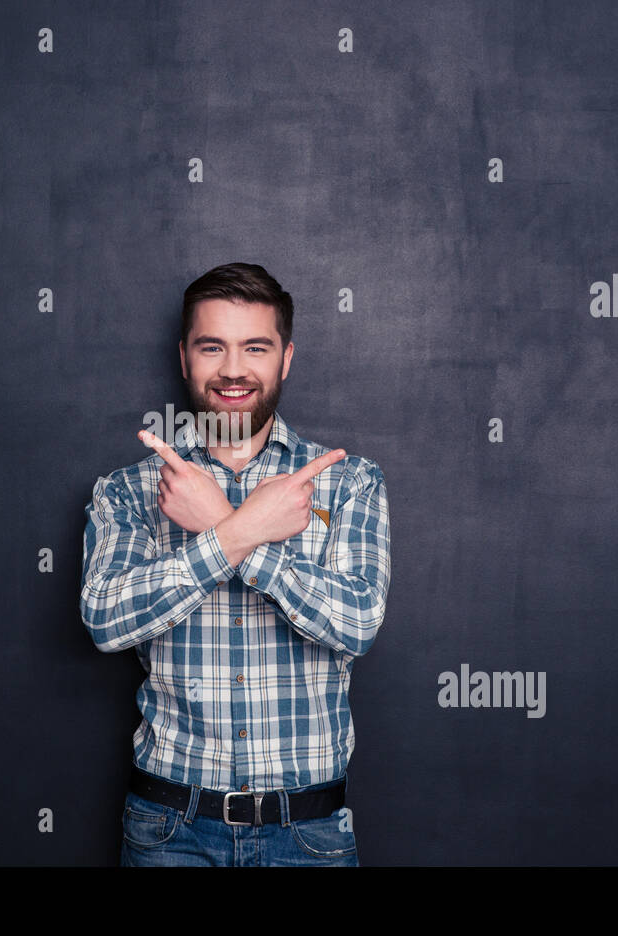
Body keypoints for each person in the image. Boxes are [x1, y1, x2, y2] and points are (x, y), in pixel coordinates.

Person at [79, 262, 392, 866]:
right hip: (170, 831)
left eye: (255, 346)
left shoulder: (348, 482)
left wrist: (221, 524)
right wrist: (241, 530)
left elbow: (357, 623)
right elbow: (104, 619)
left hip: (309, 835)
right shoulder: (129, 491)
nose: (232, 369)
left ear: (286, 358)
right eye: (211, 346)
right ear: (183, 357)